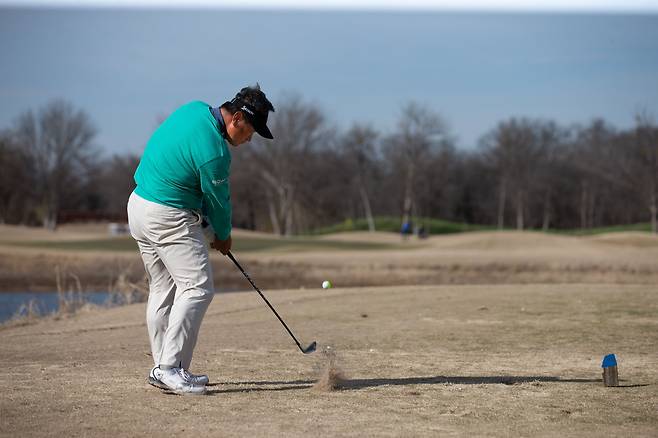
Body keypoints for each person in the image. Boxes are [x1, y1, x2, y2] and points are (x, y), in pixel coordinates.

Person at [127, 84, 275, 395]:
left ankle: (167, 367)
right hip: (166, 214)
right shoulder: (216, 153)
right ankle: (168, 369)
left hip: (138, 205)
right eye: (250, 132)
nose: (250, 140)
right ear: (236, 118)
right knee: (197, 287)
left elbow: (197, 185)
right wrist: (223, 236)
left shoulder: (194, 109)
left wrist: (211, 229)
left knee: (163, 289)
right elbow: (219, 202)